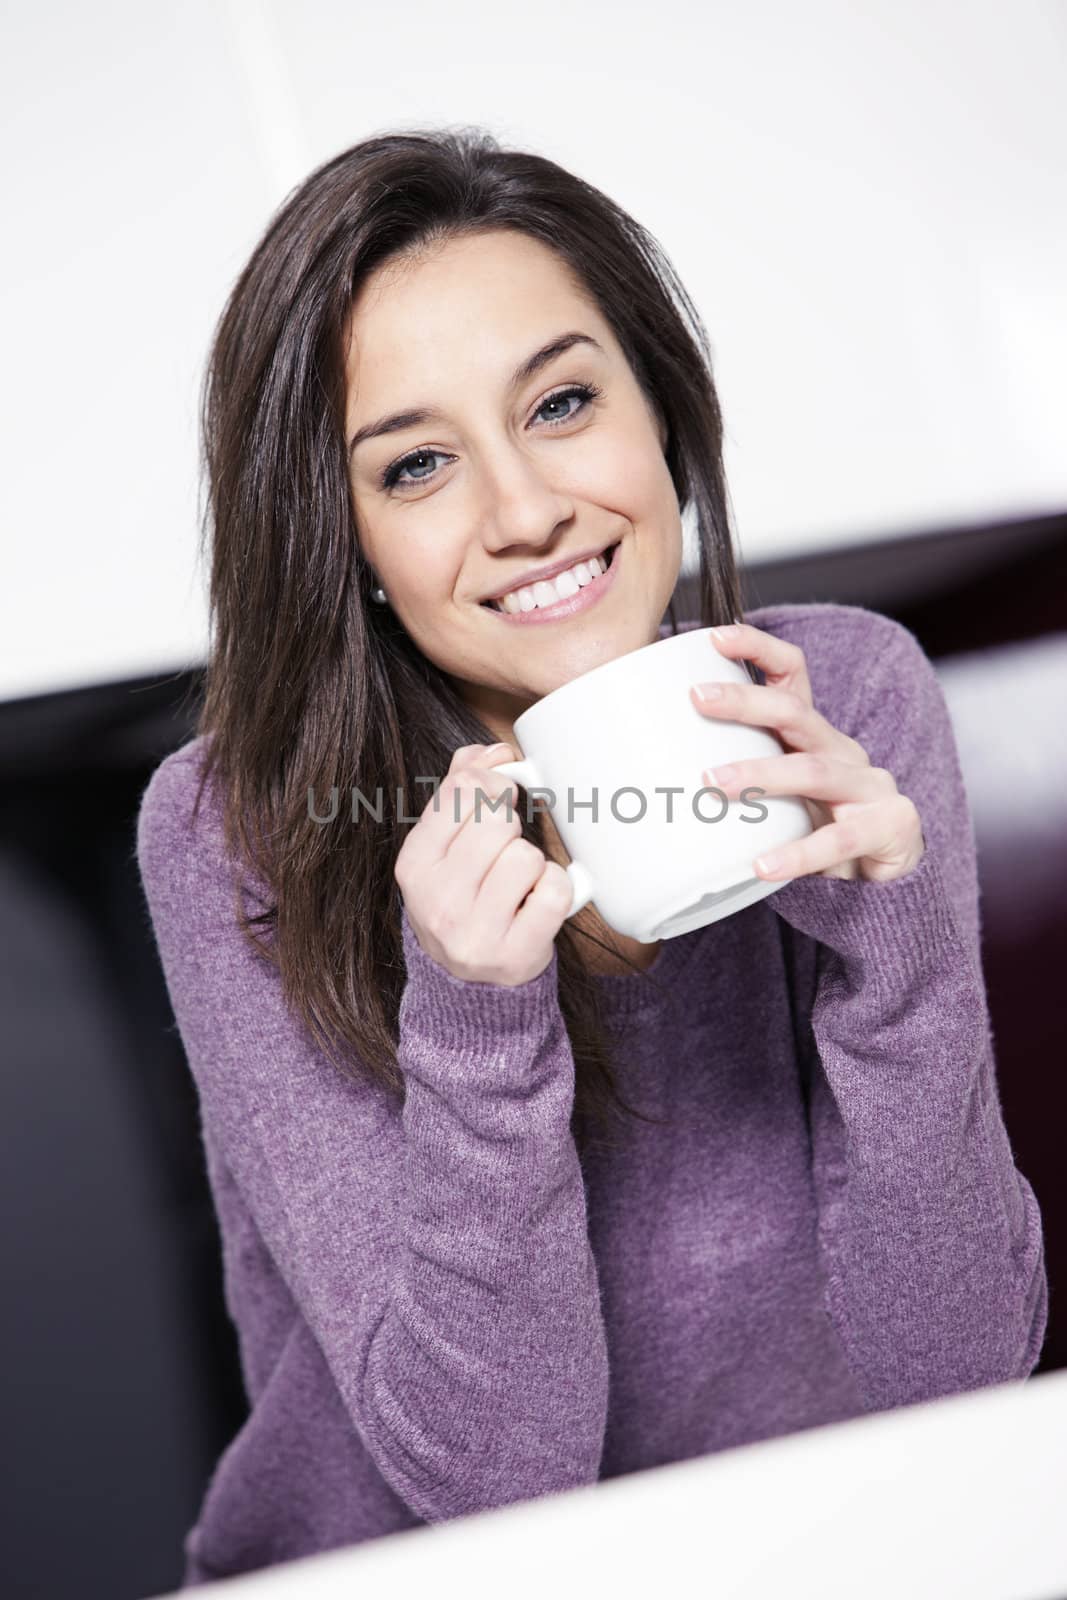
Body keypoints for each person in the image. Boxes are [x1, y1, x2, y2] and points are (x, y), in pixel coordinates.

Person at [136, 126, 1047, 1588]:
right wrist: (477, 1015)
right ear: (346, 533)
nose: (525, 509)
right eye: (418, 463)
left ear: (662, 411)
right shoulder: (242, 829)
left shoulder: (839, 702)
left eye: (561, 402)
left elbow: (961, 1375)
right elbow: (495, 1482)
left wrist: (899, 957)